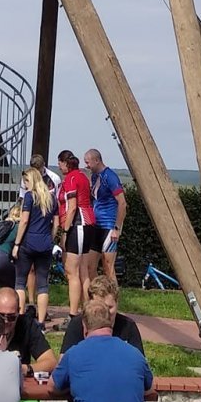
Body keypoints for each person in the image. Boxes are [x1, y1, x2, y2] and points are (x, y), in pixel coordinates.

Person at [51, 296, 153, 402]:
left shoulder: (73, 354)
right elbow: (149, 388)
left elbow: (52, 386)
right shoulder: (135, 354)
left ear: (84, 326)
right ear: (110, 322)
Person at [55, 150, 97, 315]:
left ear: (65, 163)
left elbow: (72, 207)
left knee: (72, 272)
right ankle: (86, 312)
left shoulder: (72, 178)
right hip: (87, 223)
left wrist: (65, 231)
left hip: (77, 225)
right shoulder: (82, 176)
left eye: (59, 163)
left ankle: (73, 315)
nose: (59, 167)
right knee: (83, 271)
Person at [60, 273, 144, 353]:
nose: (105, 313)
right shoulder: (77, 324)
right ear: (89, 304)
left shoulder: (128, 326)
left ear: (117, 303)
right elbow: (64, 362)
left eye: (109, 307)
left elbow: (139, 363)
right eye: (100, 307)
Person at [14, 167, 56, 324]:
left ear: (29, 180)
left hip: (28, 242)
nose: (24, 184)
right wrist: (50, 238)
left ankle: (20, 317)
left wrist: (17, 243)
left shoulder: (29, 197)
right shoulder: (51, 199)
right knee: (43, 284)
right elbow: (56, 223)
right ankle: (41, 322)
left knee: (20, 281)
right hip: (45, 243)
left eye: (25, 181)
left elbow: (24, 221)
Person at [85, 147, 126, 283]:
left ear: (97, 161)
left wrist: (117, 228)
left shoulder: (110, 177)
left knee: (108, 267)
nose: (87, 166)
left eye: (88, 162)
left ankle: (113, 302)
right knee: (90, 266)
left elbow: (122, 203)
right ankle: (99, 297)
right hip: (96, 226)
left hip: (109, 227)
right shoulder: (95, 176)